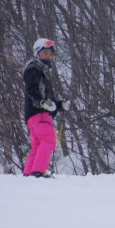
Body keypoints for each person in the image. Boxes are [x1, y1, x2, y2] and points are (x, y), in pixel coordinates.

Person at [23, 38, 71, 178]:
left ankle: (29, 173)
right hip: (39, 114)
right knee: (49, 141)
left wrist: (60, 104)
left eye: (50, 54)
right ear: (37, 54)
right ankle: (38, 172)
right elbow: (32, 91)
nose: (48, 56)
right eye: (45, 53)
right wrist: (42, 102)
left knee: (38, 144)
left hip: (34, 114)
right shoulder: (34, 69)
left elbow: (44, 97)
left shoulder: (39, 71)